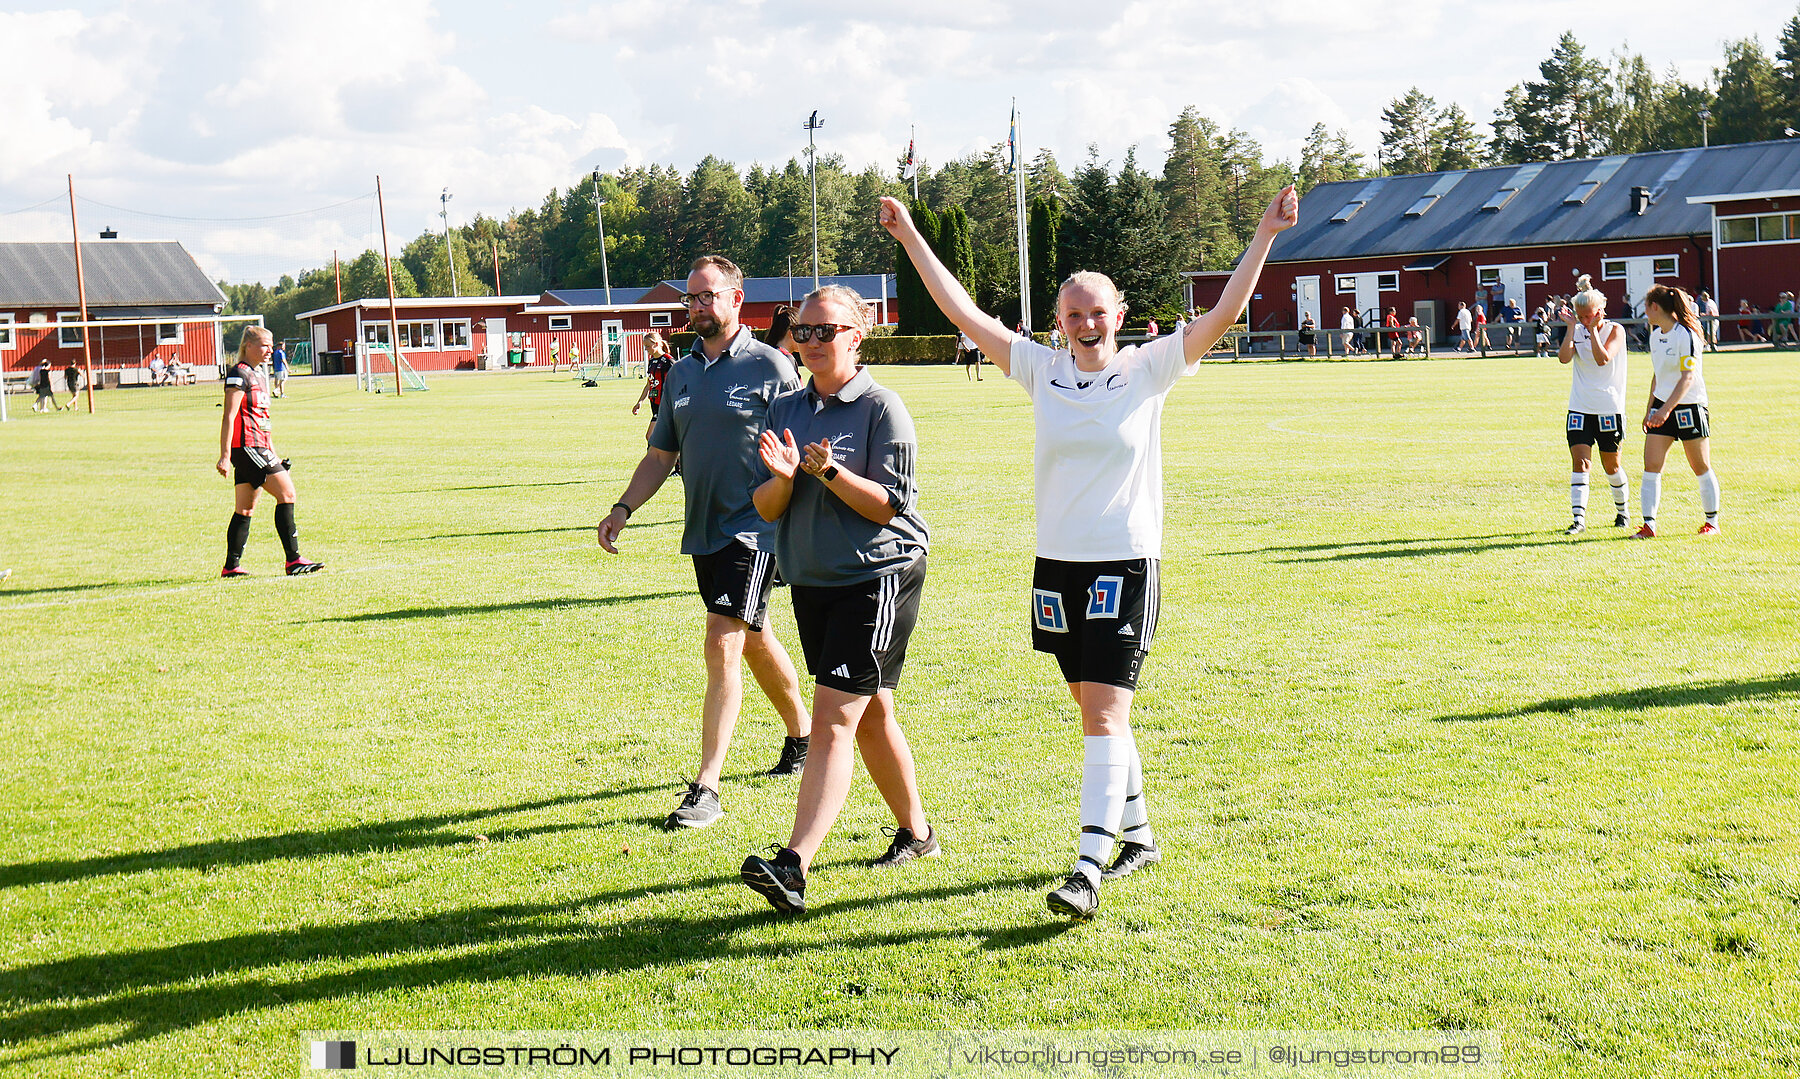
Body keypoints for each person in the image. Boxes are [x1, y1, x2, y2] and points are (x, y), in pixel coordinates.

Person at [880, 184, 1300, 919]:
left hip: (1125, 562)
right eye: (1073, 313)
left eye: (1097, 311)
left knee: (1103, 716)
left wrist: (1264, 230)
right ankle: (1139, 837)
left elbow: (1225, 314)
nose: (1085, 323)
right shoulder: (1041, 369)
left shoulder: (1149, 368)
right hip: (1057, 566)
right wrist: (911, 233)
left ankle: (1087, 866)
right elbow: (960, 311)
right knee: (1093, 707)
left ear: (1120, 313)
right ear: (1060, 322)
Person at [738, 285, 936, 914]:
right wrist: (785, 477)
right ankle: (919, 832)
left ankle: (794, 865)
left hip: (878, 575)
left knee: (833, 719)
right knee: (871, 710)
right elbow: (766, 507)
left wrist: (826, 472)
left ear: (858, 334)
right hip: (815, 579)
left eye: (827, 330)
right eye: (804, 330)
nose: (813, 341)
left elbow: (885, 507)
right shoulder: (786, 407)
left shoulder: (882, 408)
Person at [598, 256, 813, 825]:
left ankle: (708, 786)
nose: (696, 306)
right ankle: (803, 736)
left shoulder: (774, 368)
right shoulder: (683, 374)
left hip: (758, 528)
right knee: (755, 634)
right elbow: (661, 454)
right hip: (705, 531)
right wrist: (623, 508)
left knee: (722, 639)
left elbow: (798, 449)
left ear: (737, 300)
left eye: (707, 296)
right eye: (691, 298)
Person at [216, 326, 324, 577]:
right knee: (287, 493)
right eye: (265, 345)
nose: (270, 350)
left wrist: (273, 452)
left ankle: (231, 566)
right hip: (247, 446)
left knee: (245, 508)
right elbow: (228, 416)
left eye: (271, 345)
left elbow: (263, 419)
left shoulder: (259, 376)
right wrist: (225, 454)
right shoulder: (238, 374)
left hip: (260, 446)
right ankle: (294, 560)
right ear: (248, 346)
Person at [1632, 285, 1719, 538]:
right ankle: (1649, 526)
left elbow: (1687, 378)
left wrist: (1666, 410)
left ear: (1655, 307)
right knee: (1651, 465)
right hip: (1661, 407)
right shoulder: (1655, 336)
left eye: (1646, 307)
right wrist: (1650, 410)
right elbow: (1658, 376)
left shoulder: (1686, 335)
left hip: (1689, 406)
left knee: (1700, 465)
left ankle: (1712, 522)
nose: (1645, 313)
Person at [1556, 275, 1632, 535]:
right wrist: (1570, 329)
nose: (1584, 320)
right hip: (1579, 407)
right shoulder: (1576, 330)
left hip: (1608, 408)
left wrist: (1591, 331)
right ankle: (1578, 520)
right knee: (1581, 464)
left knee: (1611, 465)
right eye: (1581, 316)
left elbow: (1603, 359)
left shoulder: (1616, 330)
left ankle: (1623, 512)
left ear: (1600, 311)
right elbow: (1564, 359)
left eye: (1589, 316)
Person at [630, 330, 673, 443]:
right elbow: (649, 383)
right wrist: (640, 402)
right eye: (645, 346)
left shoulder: (668, 361)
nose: (646, 349)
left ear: (656, 344)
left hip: (665, 405)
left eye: (648, 346)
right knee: (661, 438)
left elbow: (680, 381)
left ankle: (661, 459)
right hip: (654, 404)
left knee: (651, 436)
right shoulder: (652, 361)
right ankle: (675, 459)